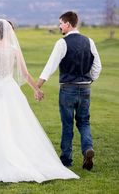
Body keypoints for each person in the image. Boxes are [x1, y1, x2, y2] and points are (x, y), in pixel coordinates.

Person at [0, 19, 79, 183]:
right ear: (9, 32)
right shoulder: (13, 49)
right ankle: (16, 157)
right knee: (15, 124)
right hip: (10, 88)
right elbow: (25, 74)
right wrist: (36, 89)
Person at [36, 11, 102, 170]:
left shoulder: (62, 43)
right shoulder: (89, 41)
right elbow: (97, 66)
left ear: (67, 24)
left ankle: (66, 159)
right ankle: (87, 149)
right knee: (84, 121)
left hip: (68, 89)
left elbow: (50, 66)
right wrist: (90, 79)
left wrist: (37, 85)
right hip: (85, 88)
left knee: (67, 124)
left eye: (60, 23)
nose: (59, 26)